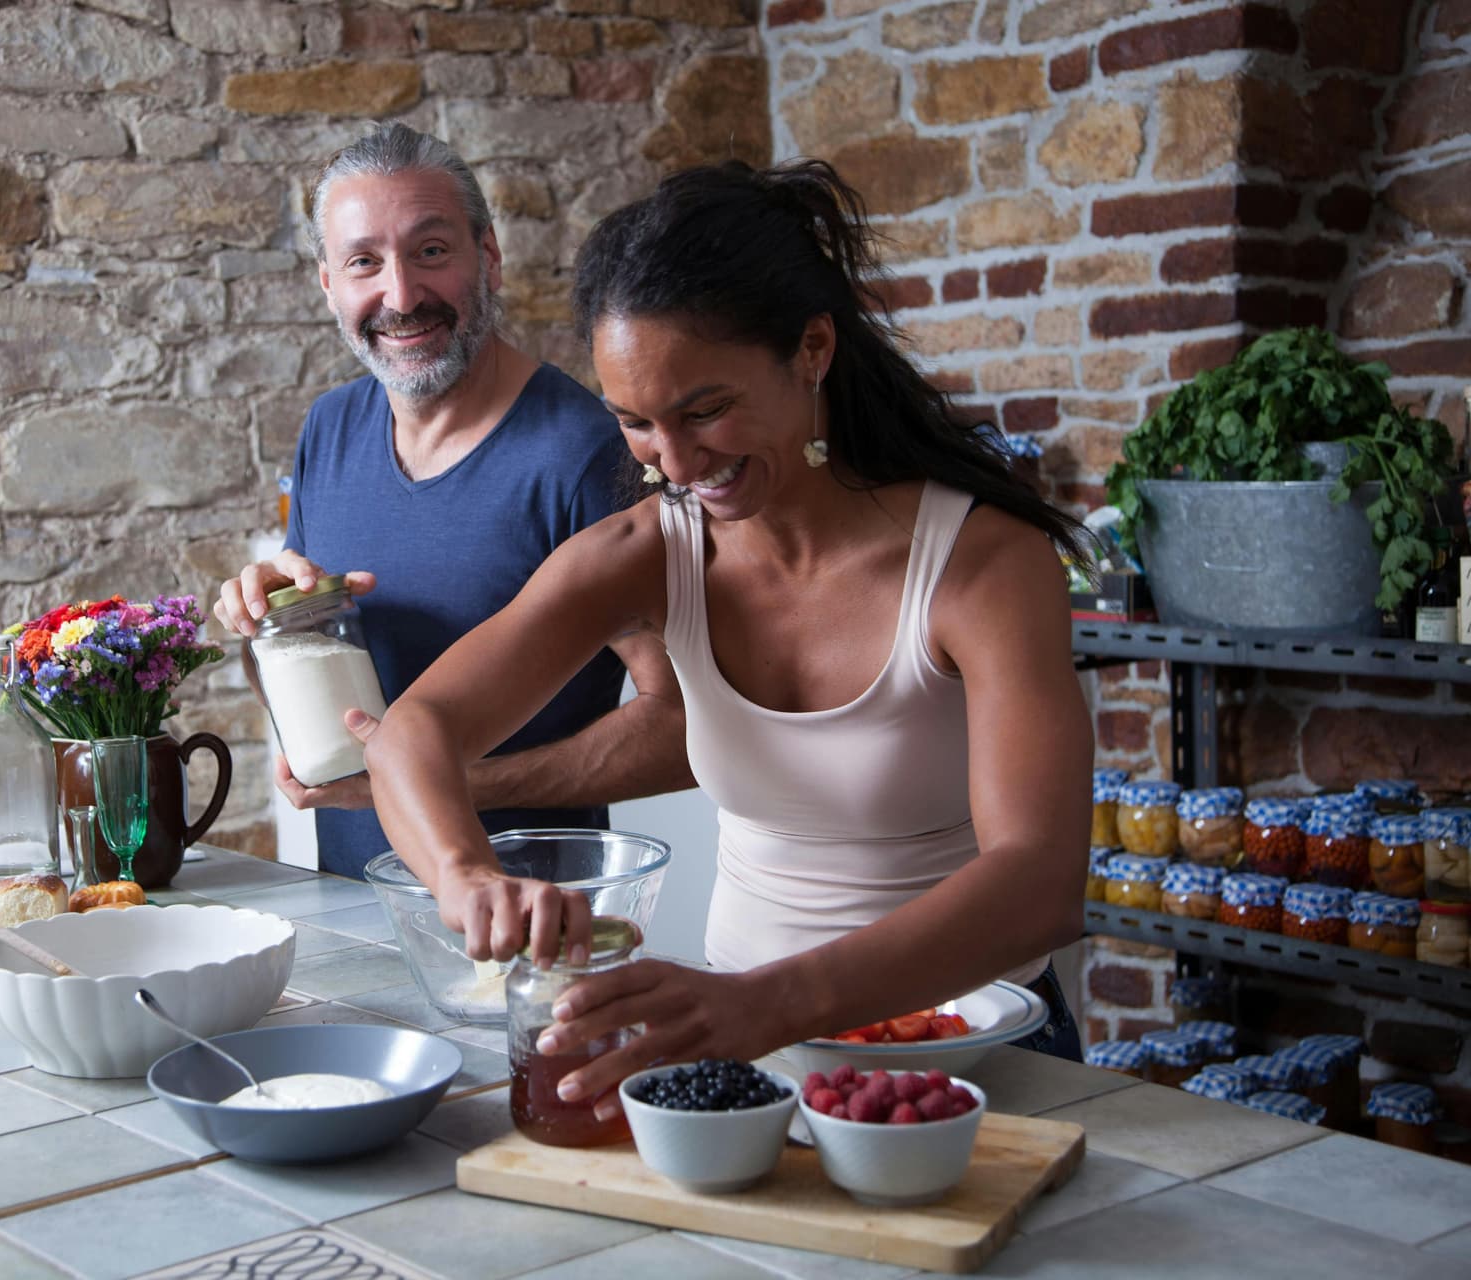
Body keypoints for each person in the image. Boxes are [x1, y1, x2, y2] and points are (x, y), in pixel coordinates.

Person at [362, 159, 1095, 1117]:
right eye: (635, 423)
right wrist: (465, 874)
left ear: (813, 350)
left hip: (975, 1057)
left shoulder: (982, 564)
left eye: (705, 410)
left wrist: (768, 1004)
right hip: (738, 1059)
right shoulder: (644, 554)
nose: (675, 462)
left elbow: (1038, 883)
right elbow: (417, 730)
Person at [215, 123, 694, 879]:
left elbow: (684, 729)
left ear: (490, 257)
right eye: (364, 262)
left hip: (533, 931)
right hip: (351, 909)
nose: (400, 296)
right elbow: (315, 672)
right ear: (328, 283)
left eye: (431, 251)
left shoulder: (585, 451)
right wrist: (264, 625)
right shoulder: (329, 429)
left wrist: (439, 782)